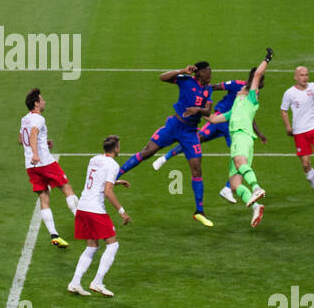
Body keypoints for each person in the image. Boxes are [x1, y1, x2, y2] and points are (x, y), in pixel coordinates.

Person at [116, 62, 216, 227]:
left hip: (190, 133)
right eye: (208, 72)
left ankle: (199, 211)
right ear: (199, 73)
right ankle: (115, 176)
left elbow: (208, 111)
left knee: (197, 168)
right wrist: (182, 70)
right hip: (174, 126)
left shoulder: (208, 89)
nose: (211, 75)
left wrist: (197, 110)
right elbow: (162, 77)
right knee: (147, 152)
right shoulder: (185, 80)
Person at [152, 73, 268, 203]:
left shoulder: (254, 94)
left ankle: (228, 188)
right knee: (196, 139)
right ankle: (164, 158)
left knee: (237, 159)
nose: (263, 84)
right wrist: (201, 97)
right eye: (262, 81)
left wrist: (259, 133)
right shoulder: (237, 85)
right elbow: (215, 87)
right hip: (219, 119)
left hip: (234, 127)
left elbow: (248, 116)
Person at [206, 49, 272, 228]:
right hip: (240, 140)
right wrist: (196, 110)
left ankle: (257, 188)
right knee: (235, 185)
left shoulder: (251, 98)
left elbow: (257, 74)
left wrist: (267, 58)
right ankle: (256, 207)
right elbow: (212, 118)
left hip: (242, 136)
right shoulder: (235, 107)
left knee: (239, 161)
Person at [67, 134, 131, 297]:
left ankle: (74, 283)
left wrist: (117, 182)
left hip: (83, 207)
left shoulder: (94, 159)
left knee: (92, 246)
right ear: (116, 148)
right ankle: (97, 282)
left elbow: (97, 180)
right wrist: (122, 212)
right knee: (113, 244)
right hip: (95, 209)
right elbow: (107, 191)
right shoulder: (113, 164)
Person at [20, 88, 79, 249]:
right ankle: (84, 225)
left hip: (30, 166)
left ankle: (54, 235)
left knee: (44, 198)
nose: (45, 101)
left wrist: (42, 143)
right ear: (36, 104)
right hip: (44, 162)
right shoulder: (38, 119)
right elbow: (32, 135)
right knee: (67, 188)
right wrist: (36, 153)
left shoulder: (24, 119)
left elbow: (21, 139)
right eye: (42, 99)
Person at [279, 66, 314, 204]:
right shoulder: (289, 93)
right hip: (299, 132)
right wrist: (288, 127)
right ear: (296, 77)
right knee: (305, 164)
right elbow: (283, 110)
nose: (305, 78)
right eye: (302, 75)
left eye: (306, 75)